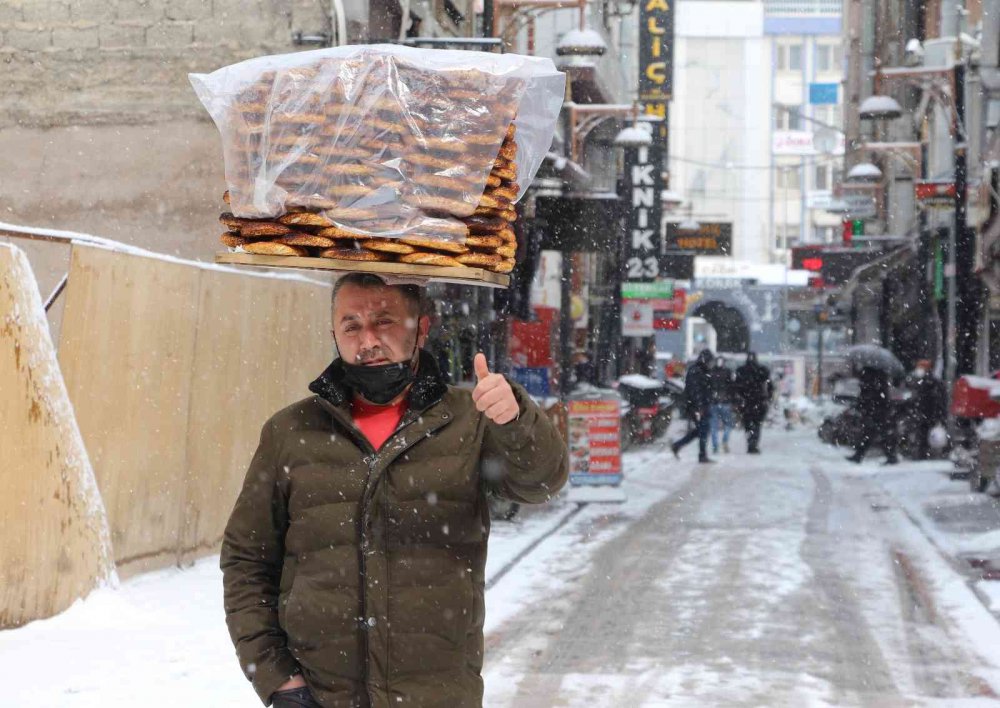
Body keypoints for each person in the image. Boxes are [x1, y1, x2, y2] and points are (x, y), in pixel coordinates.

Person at [221, 273, 569, 708]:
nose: (367, 341)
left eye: (383, 322)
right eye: (351, 325)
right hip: (322, 697)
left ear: (421, 328)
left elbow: (542, 482)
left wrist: (516, 421)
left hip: (437, 697)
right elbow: (247, 558)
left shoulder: (468, 420)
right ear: (334, 334)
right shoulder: (291, 432)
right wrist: (276, 676)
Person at [847, 364, 898, 464]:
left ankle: (859, 455)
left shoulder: (871, 380)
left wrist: (862, 402)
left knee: (871, 434)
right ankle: (890, 456)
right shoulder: (879, 378)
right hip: (878, 411)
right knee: (873, 434)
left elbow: (869, 396)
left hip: (875, 411)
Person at [671, 348, 715, 463]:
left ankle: (678, 445)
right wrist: (699, 407)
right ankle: (701, 455)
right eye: (710, 362)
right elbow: (695, 391)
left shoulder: (702, 371)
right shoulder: (696, 371)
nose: (711, 364)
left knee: (701, 430)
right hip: (698, 407)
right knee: (703, 430)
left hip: (701, 406)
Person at [907, 359, 947, 459]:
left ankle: (923, 453)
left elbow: (936, 397)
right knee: (925, 433)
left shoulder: (926, 382)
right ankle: (925, 452)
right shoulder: (929, 381)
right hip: (927, 412)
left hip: (927, 411)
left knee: (923, 433)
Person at [735, 352, 773, 454]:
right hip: (758, 401)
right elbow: (769, 386)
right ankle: (753, 443)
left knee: (748, 425)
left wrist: (738, 399)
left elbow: (736, 387)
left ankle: (751, 443)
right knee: (756, 425)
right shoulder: (762, 371)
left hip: (747, 402)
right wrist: (768, 398)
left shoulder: (742, 371)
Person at [708, 356, 735, 454]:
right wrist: (732, 399)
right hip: (725, 402)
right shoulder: (728, 372)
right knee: (728, 424)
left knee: (713, 426)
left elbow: (707, 387)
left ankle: (715, 445)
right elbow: (732, 387)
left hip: (713, 402)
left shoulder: (710, 372)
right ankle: (725, 440)